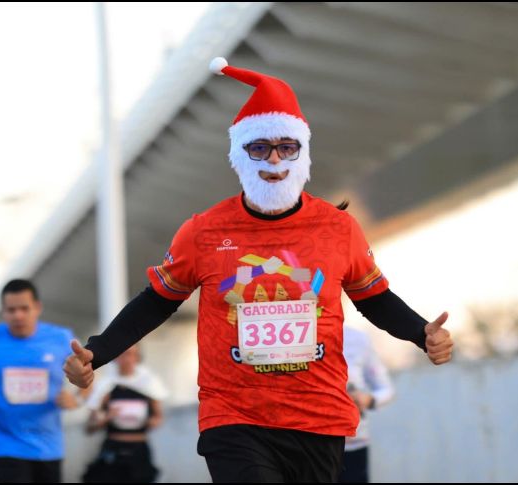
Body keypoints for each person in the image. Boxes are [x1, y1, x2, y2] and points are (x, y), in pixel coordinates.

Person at [64, 57, 454, 483]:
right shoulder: (204, 232)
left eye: (287, 147)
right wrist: (97, 353)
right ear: (240, 155)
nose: (274, 159)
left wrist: (422, 333)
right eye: (260, 147)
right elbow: (156, 303)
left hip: (318, 415)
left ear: (302, 154)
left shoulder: (338, 229)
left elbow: (373, 299)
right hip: (234, 414)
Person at [0, 279, 83, 483]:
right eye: (11, 310)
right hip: (6, 443)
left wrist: (77, 398)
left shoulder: (60, 338)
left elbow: (88, 374)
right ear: (3, 311)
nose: (18, 315)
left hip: (49, 445)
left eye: (24, 308)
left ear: (37, 308)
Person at [81, 345, 167, 483]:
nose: (126, 359)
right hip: (113, 450)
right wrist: (106, 418)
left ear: (137, 358)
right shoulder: (105, 386)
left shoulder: (150, 384)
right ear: (115, 358)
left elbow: (158, 417)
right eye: (122, 354)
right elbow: (89, 427)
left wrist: (150, 421)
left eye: (131, 354)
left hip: (139, 452)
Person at [340, 326, 394, 483]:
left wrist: (366, 400)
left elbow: (386, 389)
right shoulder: (293, 335)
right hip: (307, 446)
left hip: (352, 446)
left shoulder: (357, 339)